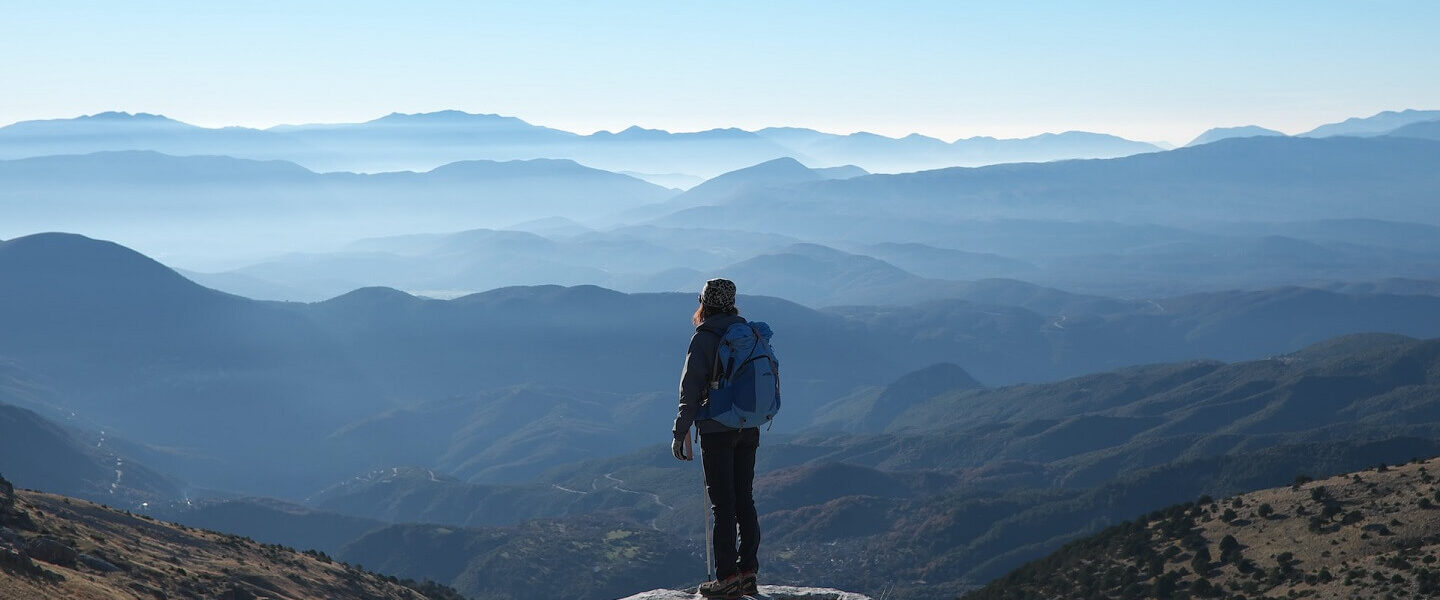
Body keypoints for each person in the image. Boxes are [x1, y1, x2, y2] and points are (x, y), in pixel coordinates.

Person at [672, 278, 761, 599]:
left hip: (716, 430)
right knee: (744, 499)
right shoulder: (747, 333)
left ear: (704, 303)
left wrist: (680, 431)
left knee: (722, 506)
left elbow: (690, 389)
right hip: (748, 426)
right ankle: (748, 572)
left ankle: (726, 578)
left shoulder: (705, 337)